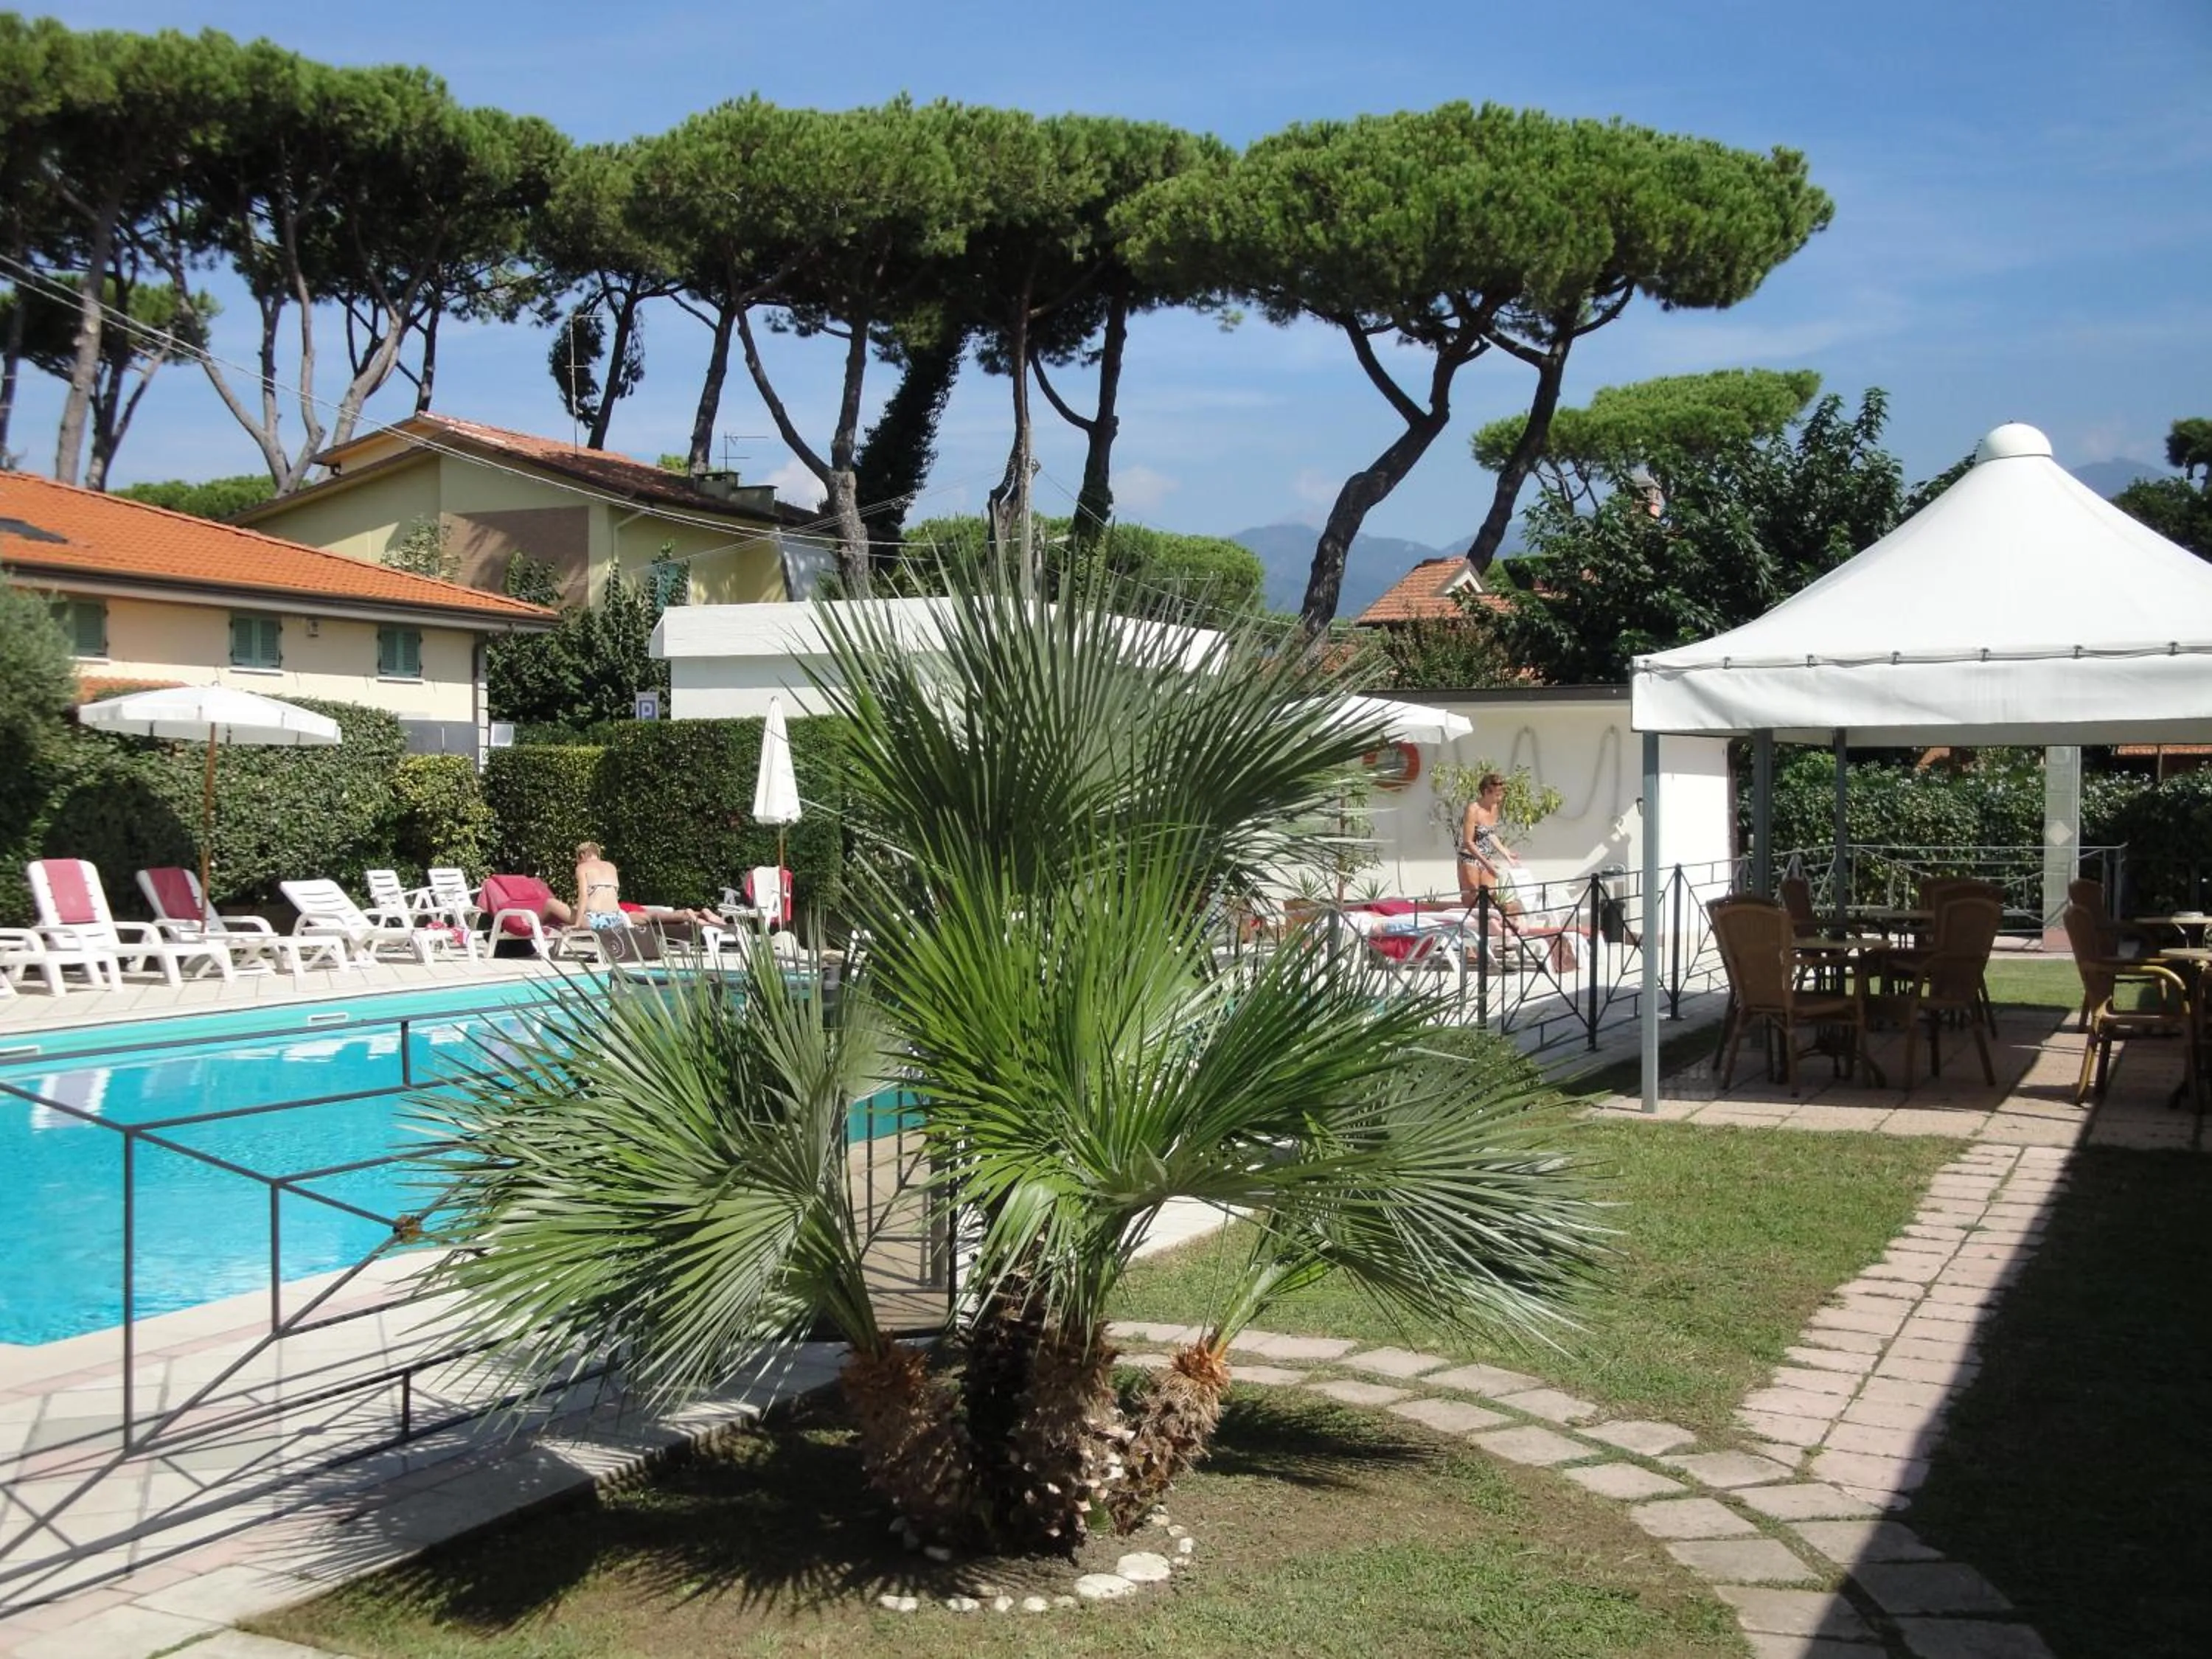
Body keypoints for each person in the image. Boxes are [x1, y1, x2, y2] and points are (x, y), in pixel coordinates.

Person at [1457, 772, 1523, 911]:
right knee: (1472, 901)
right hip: (1470, 858)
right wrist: (1486, 864)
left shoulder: (1494, 807)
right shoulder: (1473, 809)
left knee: (1491, 898)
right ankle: (1471, 931)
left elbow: (1490, 833)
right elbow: (1468, 842)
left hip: (1486, 859)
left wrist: (1506, 853)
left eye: (1501, 793)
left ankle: (1490, 930)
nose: (1500, 798)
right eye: (1497, 794)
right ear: (1486, 792)